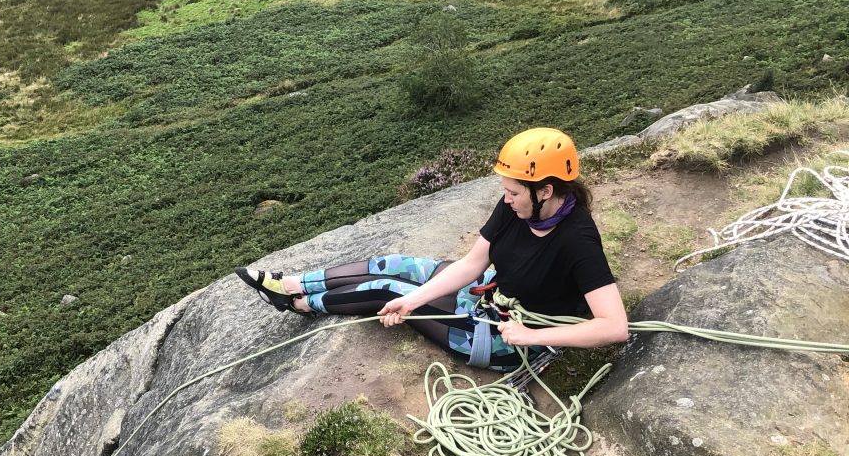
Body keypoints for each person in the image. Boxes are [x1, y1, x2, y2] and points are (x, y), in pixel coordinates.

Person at [235, 127, 629, 370]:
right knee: (395, 265)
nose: (505, 199)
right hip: (489, 295)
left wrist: (529, 336)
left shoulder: (578, 241)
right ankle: (291, 284)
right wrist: (419, 299)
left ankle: (301, 305)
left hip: (503, 339)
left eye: (513, 192)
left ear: (545, 191)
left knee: (389, 291)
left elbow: (613, 327)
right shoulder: (517, 206)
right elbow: (474, 263)